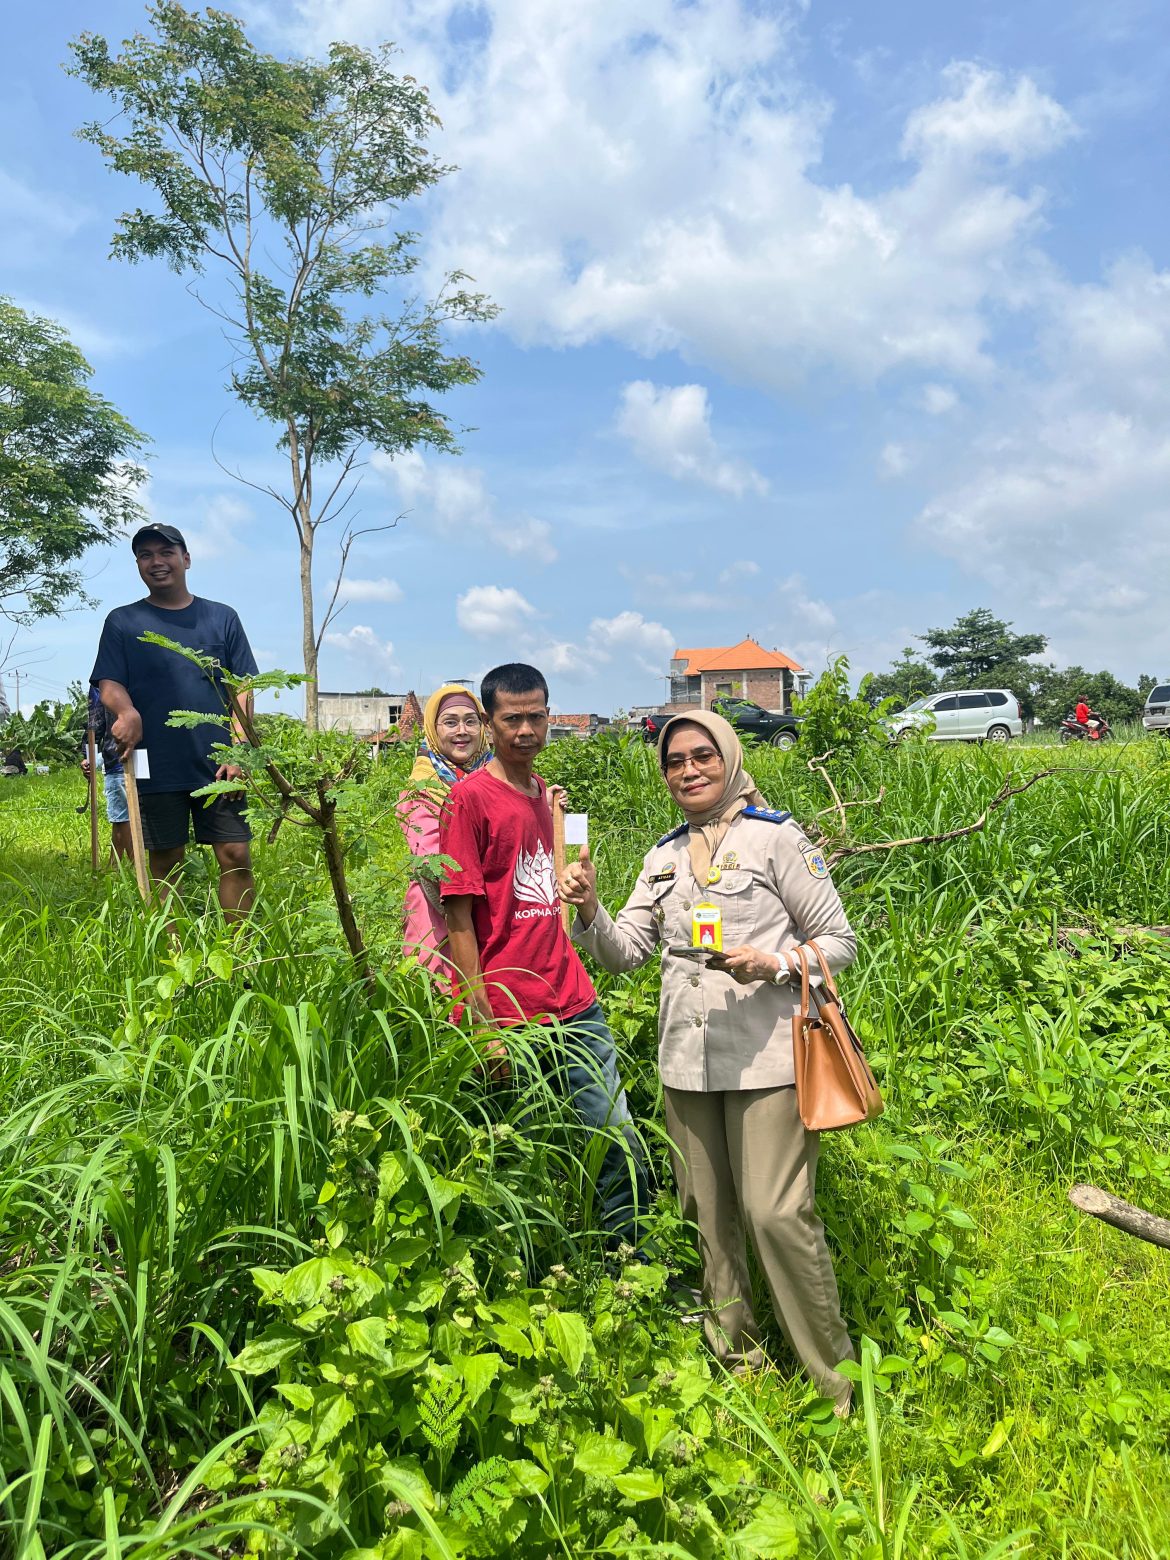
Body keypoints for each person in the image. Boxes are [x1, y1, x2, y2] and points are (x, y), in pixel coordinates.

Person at [559, 708, 858, 1409]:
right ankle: (740, 1364)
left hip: (768, 1061)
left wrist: (774, 961)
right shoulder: (661, 857)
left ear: (727, 757)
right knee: (706, 1217)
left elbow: (838, 942)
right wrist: (591, 909)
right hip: (686, 1064)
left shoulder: (778, 839)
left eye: (702, 757)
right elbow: (625, 953)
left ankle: (837, 1384)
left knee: (775, 1213)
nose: (688, 771)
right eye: (674, 762)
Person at [439, 662, 650, 1247]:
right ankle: (526, 1270)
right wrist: (482, 1024)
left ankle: (628, 1264)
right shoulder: (467, 801)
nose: (526, 730)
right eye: (512, 719)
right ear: (488, 723)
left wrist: (585, 880)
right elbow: (458, 919)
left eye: (537, 716)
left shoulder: (552, 801)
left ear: (550, 716)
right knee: (515, 1157)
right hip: (512, 1014)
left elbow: (573, 882)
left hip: (573, 1000)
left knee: (615, 1136)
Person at [90, 524, 259, 919]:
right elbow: (109, 682)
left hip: (218, 762)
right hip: (155, 762)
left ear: (185, 559)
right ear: (138, 565)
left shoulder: (222, 618)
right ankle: (174, 956)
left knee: (235, 853)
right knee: (166, 860)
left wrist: (240, 751)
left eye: (165, 552)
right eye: (145, 555)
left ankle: (242, 956)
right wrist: (127, 711)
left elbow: (244, 688)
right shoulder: (123, 622)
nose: (156, 562)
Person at [397, 683, 491, 973]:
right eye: (450, 722)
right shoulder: (422, 791)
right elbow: (434, 867)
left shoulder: (499, 778)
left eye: (470, 721)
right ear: (433, 730)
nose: (462, 730)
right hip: (439, 929)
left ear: (483, 727)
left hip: (494, 928)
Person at [79, 683, 131, 861]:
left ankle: (135, 868)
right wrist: (90, 759)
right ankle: (115, 867)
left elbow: (95, 724)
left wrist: (89, 758)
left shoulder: (101, 682)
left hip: (118, 758)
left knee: (123, 817)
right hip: (143, 757)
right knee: (122, 817)